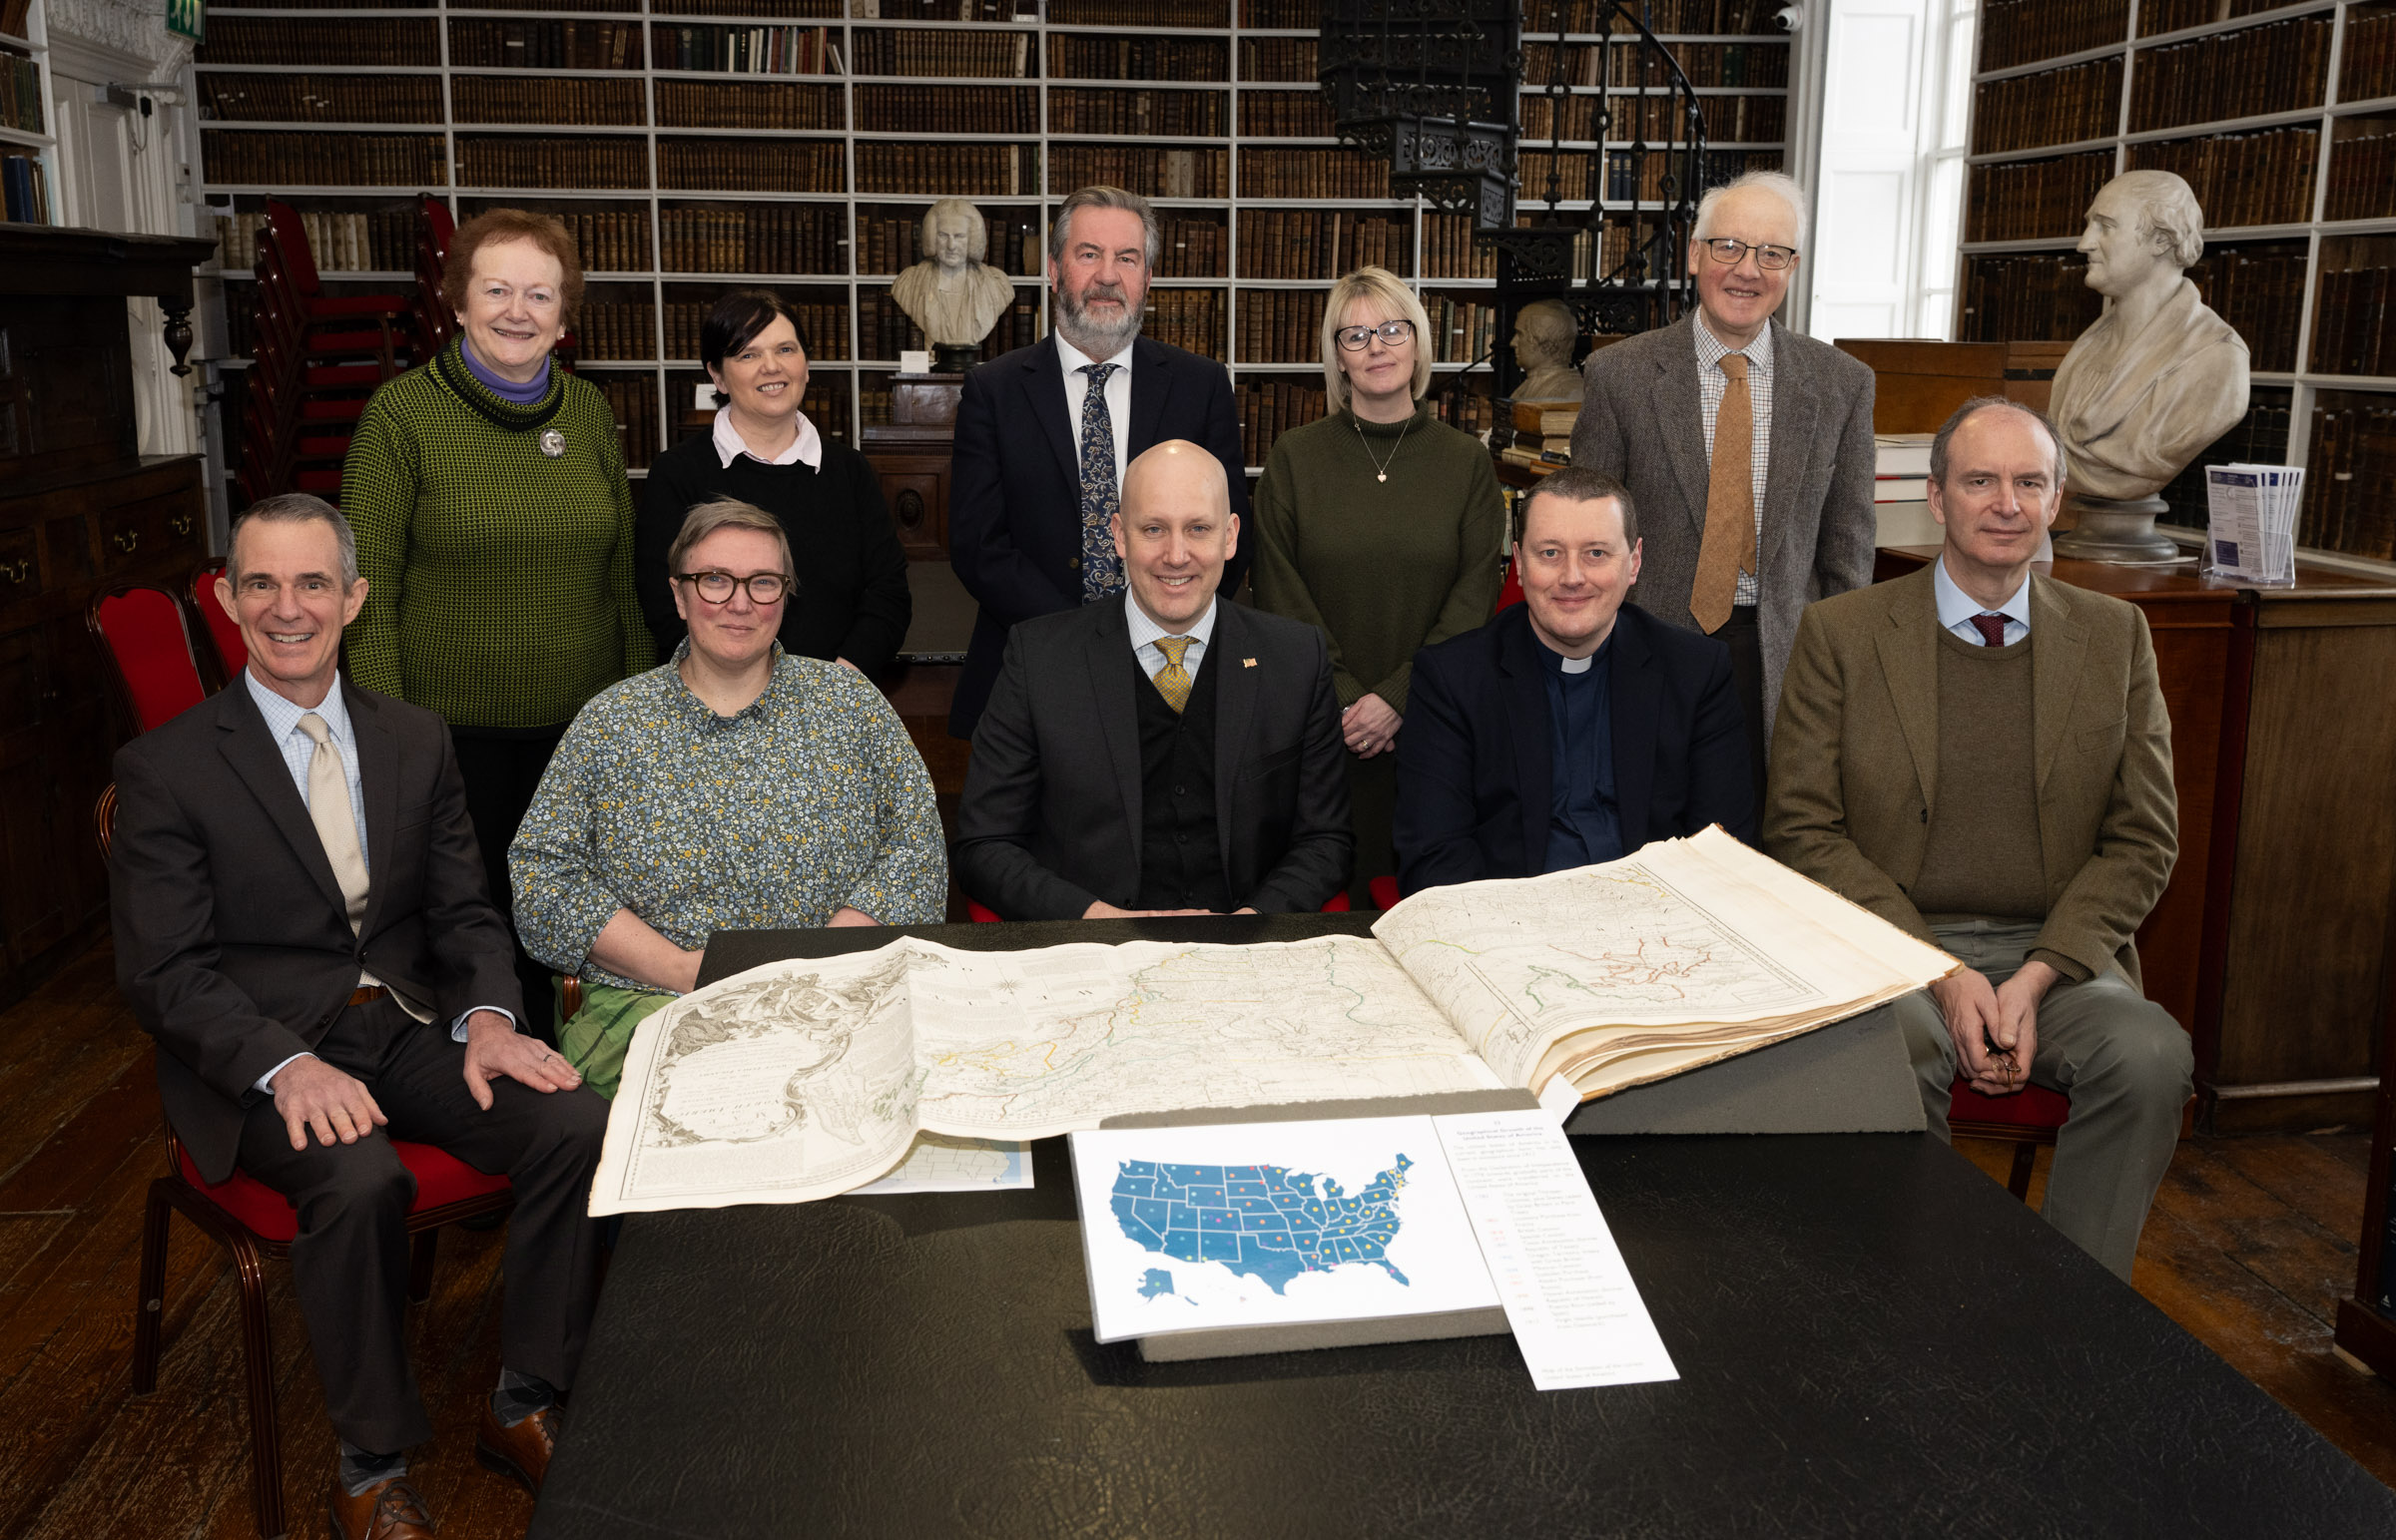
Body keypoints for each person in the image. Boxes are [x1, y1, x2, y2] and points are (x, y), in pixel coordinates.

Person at [109, 494, 607, 1539]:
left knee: (572, 1122)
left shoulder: (413, 738)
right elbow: (165, 972)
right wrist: (283, 1064)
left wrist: (485, 1016)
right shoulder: (168, 765)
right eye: (262, 583)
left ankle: (523, 1400)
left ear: (354, 597)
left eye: (312, 582)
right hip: (252, 1057)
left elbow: (467, 909)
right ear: (229, 599)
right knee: (359, 1171)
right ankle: (371, 1465)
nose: (288, 607)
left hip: (404, 1026)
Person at [1765, 397, 2190, 1281]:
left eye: (2029, 482)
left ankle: (2076, 1312)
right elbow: (1803, 828)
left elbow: (2145, 837)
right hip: (1893, 953)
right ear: (1937, 496)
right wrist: (1946, 975)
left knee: (2151, 1055)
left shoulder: (2116, 637)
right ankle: (1907, 1299)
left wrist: (2035, 976)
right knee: (1899, 1043)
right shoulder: (1841, 634)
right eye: (1981, 480)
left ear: (2057, 500)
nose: (2007, 502)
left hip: (2061, 959)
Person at [340, 207, 655, 1029]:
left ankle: (584, 1073)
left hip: (581, 736)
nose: (518, 311)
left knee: (581, 922)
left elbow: (621, 575)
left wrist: (639, 716)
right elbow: (361, 591)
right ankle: (487, 1078)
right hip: (449, 742)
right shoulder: (400, 418)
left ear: (564, 314)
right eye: (497, 289)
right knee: (475, 931)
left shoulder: (587, 412)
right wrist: (391, 738)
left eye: (540, 294)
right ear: (458, 301)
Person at [516, 498, 947, 1096]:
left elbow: (916, 847)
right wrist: (685, 971)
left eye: (763, 582)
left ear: (785, 593)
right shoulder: (611, 723)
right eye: (715, 580)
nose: (740, 602)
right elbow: (543, 877)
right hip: (651, 1011)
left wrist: (818, 965)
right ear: (678, 594)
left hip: (835, 1000)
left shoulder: (850, 706)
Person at [1569, 169, 1875, 798]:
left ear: (1792, 268)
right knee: (1649, 835)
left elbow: (1848, 549)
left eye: (1773, 254)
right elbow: (1586, 535)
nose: (1748, 270)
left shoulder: (1841, 384)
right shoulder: (1618, 376)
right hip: (1647, 648)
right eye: (1729, 247)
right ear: (1695, 254)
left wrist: (1838, 673)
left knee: (1768, 847)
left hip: (1784, 657)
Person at [953, 440, 1350, 920]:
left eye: (1198, 529)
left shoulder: (1296, 659)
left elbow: (1325, 840)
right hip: (1091, 956)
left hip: (1246, 953)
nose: (1176, 555)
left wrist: (1249, 925)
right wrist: (1101, 921)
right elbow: (984, 844)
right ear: (1119, 535)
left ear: (1230, 536)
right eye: (1154, 529)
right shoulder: (1038, 659)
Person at [946, 185, 1249, 740]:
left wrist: (1153, 631)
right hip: (1029, 676)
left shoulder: (1200, 387)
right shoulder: (994, 390)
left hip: (1173, 675)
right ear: (1055, 271)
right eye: (1089, 254)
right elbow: (978, 547)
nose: (1108, 276)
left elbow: (1231, 535)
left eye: (1127, 258)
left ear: (1148, 278)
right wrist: (1089, 640)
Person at [1250, 265, 1504, 905]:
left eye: (1391, 329)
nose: (1376, 347)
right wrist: (1344, 696)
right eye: (1355, 335)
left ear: (1417, 341)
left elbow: (1476, 593)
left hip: (1435, 728)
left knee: (1428, 910)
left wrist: (1399, 696)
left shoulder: (1467, 462)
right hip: (1318, 729)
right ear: (1336, 356)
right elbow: (1277, 587)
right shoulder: (1293, 456)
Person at [1394, 467, 1752, 893]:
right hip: (1510, 932)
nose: (1572, 577)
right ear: (1519, 563)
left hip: (1655, 928)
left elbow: (1723, 851)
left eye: (1596, 553)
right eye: (1549, 553)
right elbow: (1435, 858)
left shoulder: (1696, 673)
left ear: (1634, 562)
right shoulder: (1451, 680)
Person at [636, 289, 912, 680]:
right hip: (720, 699)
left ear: (806, 364)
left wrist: (834, 687)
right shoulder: (678, 473)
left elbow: (888, 596)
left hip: (836, 699)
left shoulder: (849, 470)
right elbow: (665, 605)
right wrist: (752, 692)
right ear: (717, 374)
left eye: (785, 349)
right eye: (748, 355)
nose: (771, 367)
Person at [2049, 169, 2250, 503]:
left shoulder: (2216, 358)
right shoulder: (2088, 347)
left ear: (2161, 240)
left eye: (2105, 226)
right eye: (2088, 225)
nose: (2084, 243)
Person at [891, 198, 1017, 352]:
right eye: (943, 236)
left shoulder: (997, 286)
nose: (951, 246)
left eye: (959, 236)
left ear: (972, 238)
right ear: (932, 237)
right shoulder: (908, 283)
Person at [1509, 297, 1583, 402]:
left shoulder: (1570, 391)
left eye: (1520, 334)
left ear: (1544, 341)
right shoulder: (1525, 387)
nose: (1513, 343)